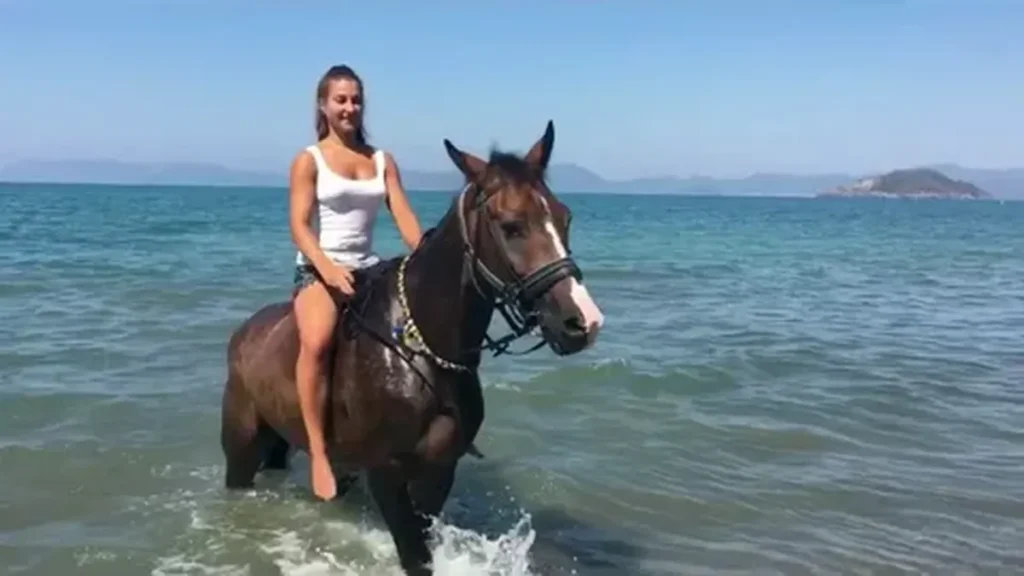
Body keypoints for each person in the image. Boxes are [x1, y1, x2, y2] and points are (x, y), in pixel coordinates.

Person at [289, 64, 424, 501]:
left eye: (355, 99)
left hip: (369, 267)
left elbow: (402, 214)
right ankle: (318, 453)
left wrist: (424, 253)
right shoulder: (309, 160)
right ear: (323, 105)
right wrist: (326, 268)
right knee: (318, 342)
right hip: (318, 268)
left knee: (417, 335)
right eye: (340, 99)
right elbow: (299, 225)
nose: (349, 107)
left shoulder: (382, 160)